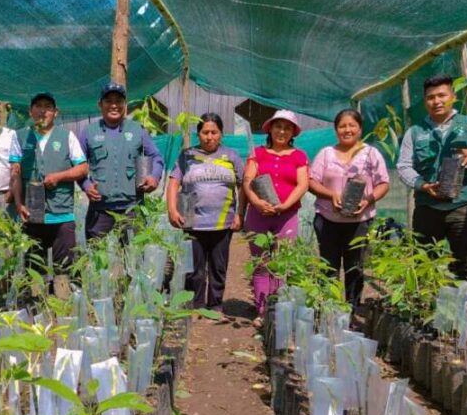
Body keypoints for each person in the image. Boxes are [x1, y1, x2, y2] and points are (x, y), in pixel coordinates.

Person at [397, 73, 467, 280]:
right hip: (427, 208)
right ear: (425, 101)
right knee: (424, 267)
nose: (436, 101)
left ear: (453, 96)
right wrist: (422, 185)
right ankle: (428, 310)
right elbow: (403, 166)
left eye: (441, 95)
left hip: (464, 207)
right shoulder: (415, 132)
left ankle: (466, 309)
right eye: (430, 97)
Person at [309, 109, 390, 309]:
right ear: (336, 130)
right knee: (328, 267)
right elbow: (312, 182)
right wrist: (331, 195)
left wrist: (368, 200)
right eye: (342, 126)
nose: (347, 130)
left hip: (359, 222)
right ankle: (329, 309)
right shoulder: (326, 153)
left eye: (352, 125)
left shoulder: (371, 153)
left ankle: (352, 310)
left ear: (360, 128)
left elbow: (383, 183)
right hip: (328, 220)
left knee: (355, 267)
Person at [166, 113, 243, 312]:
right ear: (198, 134)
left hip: (223, 221)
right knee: (193, 267)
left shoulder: (232, 156)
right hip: (192, 219)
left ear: (221, 134)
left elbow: (243, 186)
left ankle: (216, 305)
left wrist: (239, 213)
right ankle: (196, 304)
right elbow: (174, 181)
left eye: (214, 132)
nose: (209, 136)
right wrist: (172, 209)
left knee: (218, 266)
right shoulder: (187, 155)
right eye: (205, 132)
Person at [241, 108, 309, 323]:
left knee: (281, 263)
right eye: (278, 126)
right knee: (261, 262)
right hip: (258, 214)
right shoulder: (257, 154)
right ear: (270, 129)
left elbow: (303, 183)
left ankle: (277, 309)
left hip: (286, 215)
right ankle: (261, 311)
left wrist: (285, 205)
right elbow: (247, 181)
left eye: (287, 128)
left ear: (293, 133)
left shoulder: (299, 156)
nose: (282, 131)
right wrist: (258, 202)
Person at [77, 81, 164, 240]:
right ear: (100, 104)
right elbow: (77, 165)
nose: (114, 105)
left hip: (132, 208)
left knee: (133, 259)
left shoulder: (138, 130)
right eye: (108, 101)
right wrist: (86, 186)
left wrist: (154, 177)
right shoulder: (88, 132)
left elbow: (156, 156)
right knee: (96, 257)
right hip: (99, 209)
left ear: (125, 104)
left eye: (118, 101)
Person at [14, 92, 88, 270]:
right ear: (30, 111)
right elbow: (15, 173)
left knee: (65, 269)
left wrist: (59, 176)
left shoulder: (67, 136)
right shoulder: (19, 137)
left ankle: (62, 297)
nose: (42, 111)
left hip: (62, 215)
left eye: (48, 107)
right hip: (31, 216)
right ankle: (38, 298)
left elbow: (83, 168)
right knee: (33, 273)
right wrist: (18, 204)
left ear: (56, 112)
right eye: (38, 106)